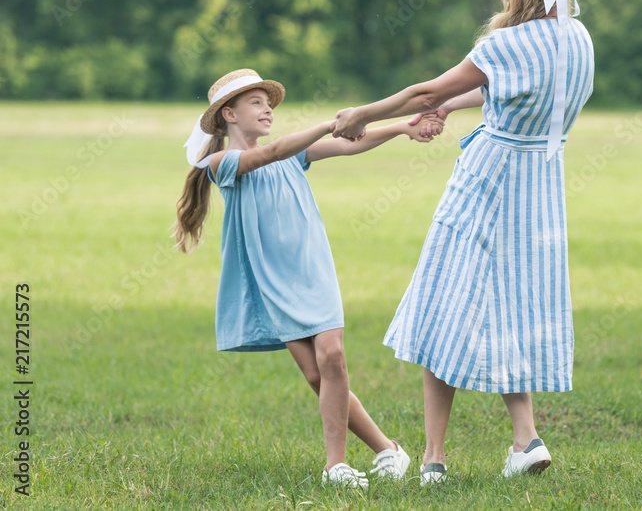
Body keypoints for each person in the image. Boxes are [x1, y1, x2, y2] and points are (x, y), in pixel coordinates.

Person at [331, 0, 594, 483]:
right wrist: (456, 107)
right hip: (540, 193)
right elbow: (516, 89)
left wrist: (363, 114)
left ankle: (433, 460)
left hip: (488, 184)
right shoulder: (578, 39)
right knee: (513, 307)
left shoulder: (505, 44)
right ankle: (525, 440)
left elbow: (424, 92)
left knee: (440, 304)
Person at [173, 68, 443, 487]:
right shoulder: (220, 163)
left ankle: (335, 465)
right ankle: (388, 450)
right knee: (318, 376)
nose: (267, 111)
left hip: (311, 266)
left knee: (332, 356)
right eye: (256, 103)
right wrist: (327, 123)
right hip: (272, 280)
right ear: (228, 114)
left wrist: (401, 129)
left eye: (268, 103)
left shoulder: (297, 155)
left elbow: (348, 145)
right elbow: (272, 152)